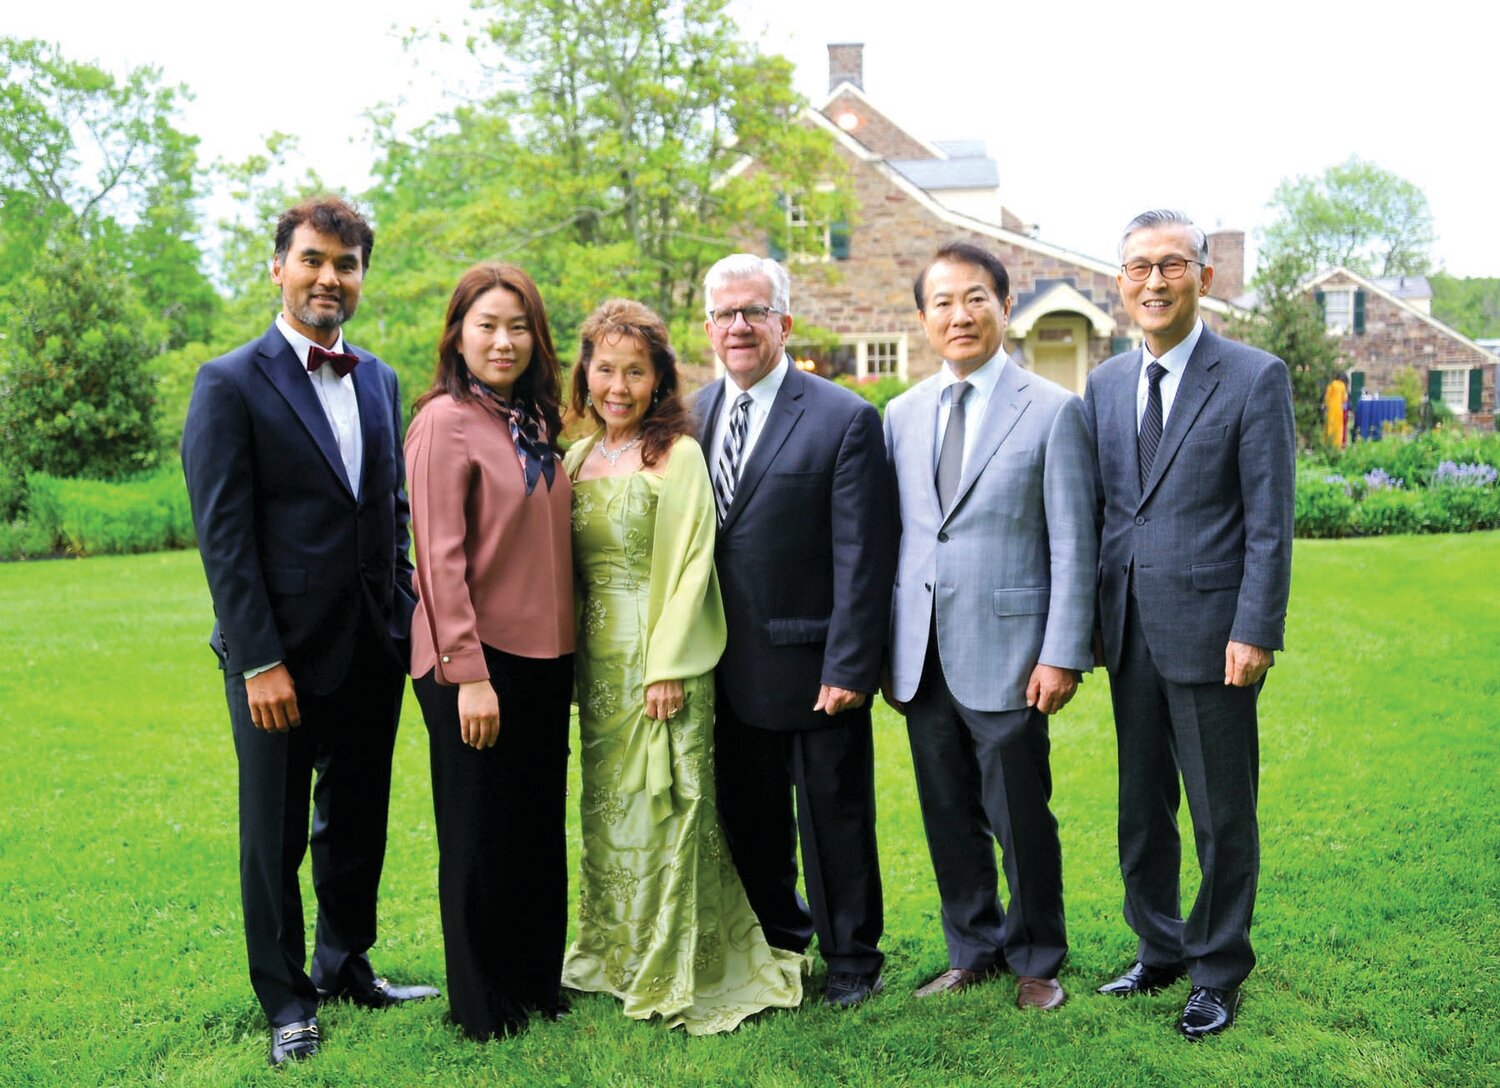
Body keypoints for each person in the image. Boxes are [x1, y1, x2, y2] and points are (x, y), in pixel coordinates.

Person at [181, 196, 437, 1067]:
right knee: (274, 833)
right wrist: (259, 660)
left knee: (357, 818)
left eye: (347, 264)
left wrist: (401, 610)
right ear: (278, 268)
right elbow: (225, 537)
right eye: (314, 260)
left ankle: (344, 964)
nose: (330, 277)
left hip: (372, 645)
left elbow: (388, 508)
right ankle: (286, 997)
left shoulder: (379, 378)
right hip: (277, 657)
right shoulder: (228, 382)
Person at [560, 298, 803, 1034]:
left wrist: (665, 665)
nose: (618, 386)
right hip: (598, 670)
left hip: (665, 661)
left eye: (635, 372)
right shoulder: (575, 459)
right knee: (609, 815)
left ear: (660, 380)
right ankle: (617, 954)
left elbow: (695, 565)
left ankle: (673, 963)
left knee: (670, 813)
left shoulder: (679, 456)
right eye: (605, 369)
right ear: (587, 374)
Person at [1084, 210, 1295, 1039]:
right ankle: (1158, 946)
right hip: (1127, 629)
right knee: (1141, 809)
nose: (1154, 281)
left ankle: (1217, 968)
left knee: (1219, 811)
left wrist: (1257, 628)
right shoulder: (1102, 385)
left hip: (1213, 631)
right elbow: (1107, 511)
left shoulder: (1252, 377)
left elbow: (1271, 523)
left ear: (1205, 277)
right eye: (1138, 267)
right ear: (1120, 281)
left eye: (1173, 264)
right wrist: (1091, 621)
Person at [883, 242, 1097, 1011]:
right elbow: (905, 536)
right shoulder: (900, 416)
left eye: (975, 297)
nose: (959, 314)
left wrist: (1064, 651)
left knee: (1019, 815)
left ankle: (1037, 957)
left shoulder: (1052, 411)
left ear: (1005, 307)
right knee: (947, 812)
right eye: (942, 302)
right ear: (923, 319)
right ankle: (971, 948)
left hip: (1012, 653)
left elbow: (1074, 540)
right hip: (923, 651)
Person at [692, 255, 897, 1009]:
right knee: (750, 820)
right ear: (709, 326)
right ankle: (780, 940)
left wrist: (849, 665)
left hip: (815, 664)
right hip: (722, 665)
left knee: (835, 821)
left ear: (785, 321)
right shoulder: (689, 416)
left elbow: (863, 556)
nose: (738, 326)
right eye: (725, 314)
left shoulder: (843, 417)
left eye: (754, 312)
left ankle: (852, 960)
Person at [404, 262, 574, 1040]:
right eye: (487, 325)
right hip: (471, 660)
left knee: (537, 824)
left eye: (518, 326)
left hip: (544, 658)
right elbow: (437, 559)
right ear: (458, 334)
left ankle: (539, 981)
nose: (503, 341)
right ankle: (481, 1004)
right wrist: (467, 675)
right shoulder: (444, 420)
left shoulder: (534, 420)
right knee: (479, 832)